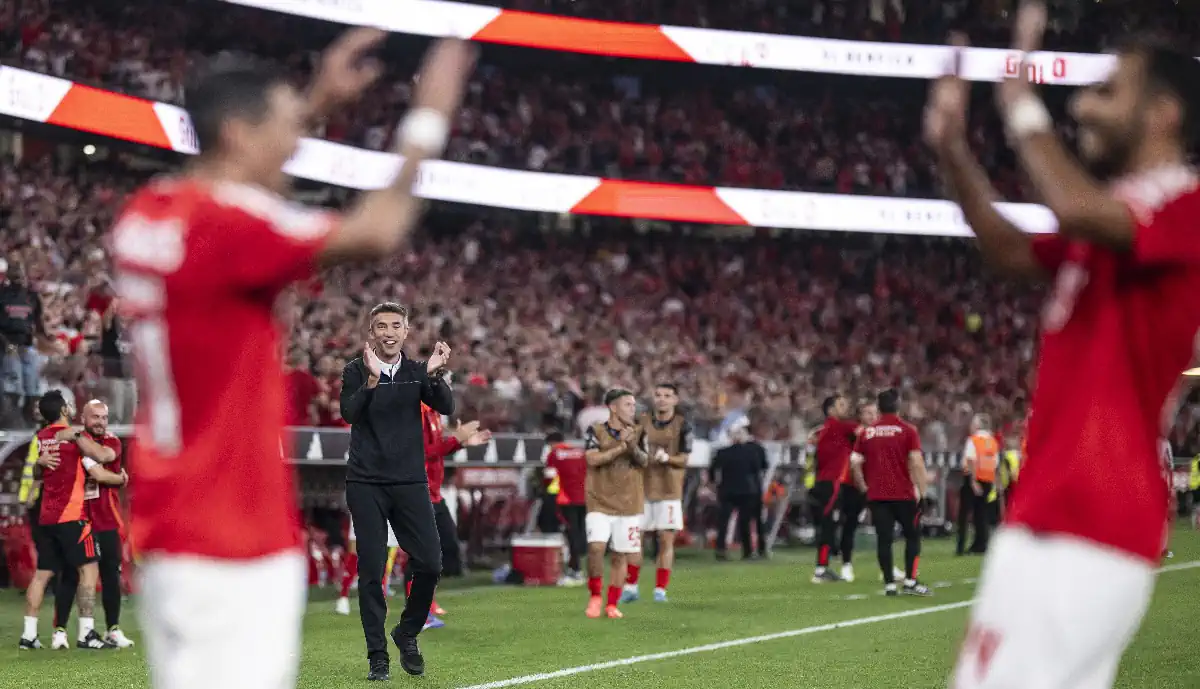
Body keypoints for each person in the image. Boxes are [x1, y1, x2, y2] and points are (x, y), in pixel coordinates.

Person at [111, 26, 475, 689]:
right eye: (286, 128)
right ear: (240, 135)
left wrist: (312, 101)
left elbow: (231, 162)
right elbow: (378, 229)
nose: (296, 145)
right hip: (229, 535)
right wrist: (429, 120)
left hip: (175, 523)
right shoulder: (232, 226)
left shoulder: (147, 213)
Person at [925, 5, 1200, 685]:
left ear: (1163, 112)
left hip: (1092, 510)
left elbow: (1074, 208)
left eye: (1108, 91)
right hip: (1055, 509)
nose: (1082, 104)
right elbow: (1009, 249)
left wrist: (1021, 108)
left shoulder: (1183, 204)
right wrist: (954, 152)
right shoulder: (1119, 211)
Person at [340, 302, 455, 679]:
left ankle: (406, 632)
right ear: (371, 333)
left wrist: (436, 375)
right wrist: (372, 381)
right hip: (366, 483)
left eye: (395, 325)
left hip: (409, 481)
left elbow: (447, 405)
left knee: (431, 563)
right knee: (371, 570)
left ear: (406, 332)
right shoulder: (355, 371)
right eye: (381, 326)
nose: (388, 332)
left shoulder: (418, 372)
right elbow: (350, 413)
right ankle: (378, 658)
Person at [17, 391, 127, 650]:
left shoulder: (42, 438)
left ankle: (29, 636)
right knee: (89, 570)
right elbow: (101, 460)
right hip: (71, 516)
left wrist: (40, 464)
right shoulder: (77, 439)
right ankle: (86, 633)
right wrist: (121, 478)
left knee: (42, 575)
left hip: (46, 518)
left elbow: (36, 471)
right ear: (66, 411)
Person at [49, 400, 134, 648]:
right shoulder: (70, 441)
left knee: (111, 574)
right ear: (83, 418)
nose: (100, 422)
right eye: (95, 417)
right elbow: (98, 473)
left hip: (106, 519)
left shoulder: (111, 441)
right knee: (70, 575)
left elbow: (103, 457)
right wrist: (117, 478)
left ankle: (113, 629)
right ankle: (60, 632)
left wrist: (76, 439)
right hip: (76, 518)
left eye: (104, 417)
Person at [399, 406, 492, 625]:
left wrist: (460, 442)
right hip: (416, 490)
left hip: (433, 492)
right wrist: (455, 440)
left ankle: (427, 602)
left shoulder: (433, 413)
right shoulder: (413, 411)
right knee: (421, 554)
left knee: (446, 546)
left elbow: (436, 450)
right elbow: (420, 452)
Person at [849, 389, 931, 597]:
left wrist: (863, 487)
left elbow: (855, 463)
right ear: (898, 405)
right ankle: (911, 582)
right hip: (904, 494)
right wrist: (923, 491)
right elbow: (916, 461)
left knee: (884, 539)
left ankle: (889, 584)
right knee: (913, 536)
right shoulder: (907, 430)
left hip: (877, 495)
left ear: (879, 407)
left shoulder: (867, 432)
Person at [622, 383, 692, 603]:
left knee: (665, 540)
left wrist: (667, 459)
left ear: (675, 400)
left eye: (667, 396)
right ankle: (631, 586)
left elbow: (684, 459)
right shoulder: (641, 422)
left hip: (669, 490)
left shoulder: (683, 426)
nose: (662, 399)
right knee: (634, 540)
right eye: (658, 395)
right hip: (642, 487)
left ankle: (660, 589)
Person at [583, 389, 649, 619]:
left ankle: (612, 604)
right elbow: (592, 459)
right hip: (599, 500)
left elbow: (644, 461)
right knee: (596, 548)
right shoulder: (595, 430)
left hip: (629, 503)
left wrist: (631, 446)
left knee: (620, 555)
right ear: (613, 407)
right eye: (628, 404)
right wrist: (621, 447)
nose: (633, 408)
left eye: (634, 404)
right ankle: (595, 596)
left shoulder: (639, 432)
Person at [809, 394, 858, 583]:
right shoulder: (838, 426)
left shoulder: (828, 429)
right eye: (841, 404)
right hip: (832, 483)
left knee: (829, 524)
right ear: (830, 410)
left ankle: (823, 567)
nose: (846, 407)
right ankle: (821, 569)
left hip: (825, 481)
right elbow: (864, 432)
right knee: (828, 525)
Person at [709, 417, 769, 561]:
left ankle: (722, 550)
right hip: (748, 490)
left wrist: (714, 484)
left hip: (730, 490)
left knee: (726, 521)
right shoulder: (754, 450)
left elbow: (713, 470)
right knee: (745, 522)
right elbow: (761, 467)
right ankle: (748, 551)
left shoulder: (723, 452)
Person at [836, 399, 878, 583]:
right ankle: (846, 564)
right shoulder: (855, 433)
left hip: (875, 484)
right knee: (850, 524)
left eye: (874, 413)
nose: (872, 416)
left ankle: (887, 566)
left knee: (883, 524)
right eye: (867, 413)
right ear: (860, 416)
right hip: (853, 484)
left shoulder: (876, 434)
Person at [0, 259, 45, 426]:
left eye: (20, 271)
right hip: (7, 346)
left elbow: (37, 320)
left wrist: (41, 335)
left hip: (26, 346)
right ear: (8, 274)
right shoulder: (2, 295)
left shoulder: (30, 296)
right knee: (13, 387)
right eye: (14, 271)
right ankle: (11, 422)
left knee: (32, 386)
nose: (18, 274)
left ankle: (29, 422)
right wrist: (6, 344)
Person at [544, 431, 588, 585]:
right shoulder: (581, 453)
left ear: (552, 443)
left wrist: (549, 496)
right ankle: (578, 567)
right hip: (584, 498)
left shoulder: (554, 455)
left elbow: (549, 477)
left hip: (566, 499)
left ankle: (575, 570)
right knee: (580, 531)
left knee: (571, 533)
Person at [957, 414, 999, 556]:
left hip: (973, 478)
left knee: (964, 514)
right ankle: (981, 544)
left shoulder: (973, 440)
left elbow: (970, 459)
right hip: (988, 479)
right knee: (981, 515)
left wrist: (973, 481)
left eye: (973, 423)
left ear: (978, 425)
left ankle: (961, 546)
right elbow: (995, 463)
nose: (971, 426)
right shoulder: (993, 442)